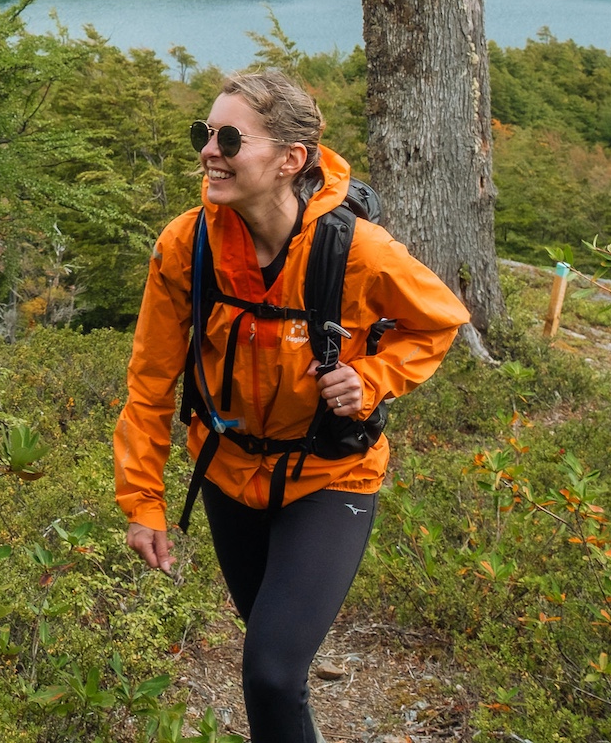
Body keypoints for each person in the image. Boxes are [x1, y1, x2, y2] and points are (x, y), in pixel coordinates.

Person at [113, 68, 470, 743]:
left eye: (226, 138)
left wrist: (370, 379)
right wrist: (142, 502)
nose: (207, 151)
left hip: (330, 475)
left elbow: (441, 319)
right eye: (203, 133)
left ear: (290, 160)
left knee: (272, 673)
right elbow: (150, 382)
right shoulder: (186, 245)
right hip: (227, 475)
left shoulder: (357, 249)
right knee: (270, 658)